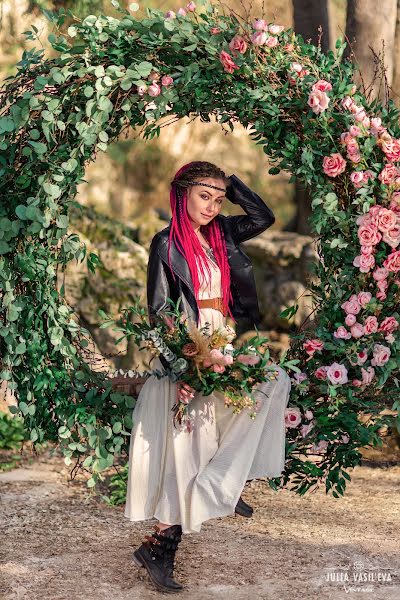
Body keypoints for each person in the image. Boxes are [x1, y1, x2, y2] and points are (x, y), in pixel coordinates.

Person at [124, 161, 291, 593]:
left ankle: (224, 483)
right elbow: (160, 311)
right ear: (181, 193)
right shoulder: (165, 244)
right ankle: (161, 548)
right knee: (189, 448)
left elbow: (263, 218)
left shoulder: (224, 234)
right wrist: (187, 364)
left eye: (219, 199)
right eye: (204, 196)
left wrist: (229, 183)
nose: (213, 206)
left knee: (274, 380)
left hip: (227, 341)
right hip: (191, 348)